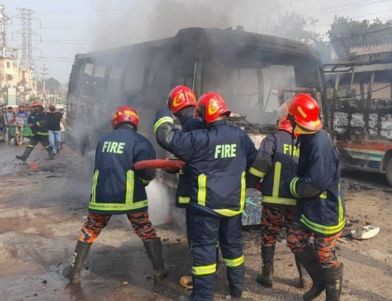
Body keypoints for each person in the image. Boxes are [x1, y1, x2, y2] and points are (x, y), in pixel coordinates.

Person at [154, 92, 257, 300]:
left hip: (205, 209)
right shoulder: (240, 136)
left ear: (204, 115)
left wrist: (164, 111)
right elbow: (252, 159)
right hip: (233, 206)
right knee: (234, 250)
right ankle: (236, 291)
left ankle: (202, 297)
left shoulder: (199, 139)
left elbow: (166, 136)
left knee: (204, 253)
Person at [64, 106, 164, 284]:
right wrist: (143, 183)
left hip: (101, 199)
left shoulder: (103, 140)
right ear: (135, 123)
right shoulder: (141, 141)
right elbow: (148, 173)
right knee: (145, 230)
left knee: (89, 230)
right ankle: (159, 270)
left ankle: (74, 272)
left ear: (115, 122)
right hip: (131, 199)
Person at [284, 93, 346, 301]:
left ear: (297, 119)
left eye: (291, 117)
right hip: (311, 208)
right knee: (294, 238)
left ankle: (332, 293)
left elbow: (314, 185)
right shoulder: (308, 137)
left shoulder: (319, 144)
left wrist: (292, 186)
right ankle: (319, 281)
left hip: (325, 210)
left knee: (325, 255)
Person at [247, 102, 304, 289]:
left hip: (273, 201)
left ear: (281, 120)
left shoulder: (272, 140)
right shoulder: (302, 142)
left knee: (269, 235)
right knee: (297, 238)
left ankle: (267, 276)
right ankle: (304, 278)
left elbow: (259, 166)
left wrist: (250, 184)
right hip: (297, 201)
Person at [166, 85, 204, 289]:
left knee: (197, 237)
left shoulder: (189, 125)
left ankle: (199, 278)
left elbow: (190, 154)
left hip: (196, 191)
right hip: (209, 190)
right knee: (208, 237)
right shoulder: (199, 121)